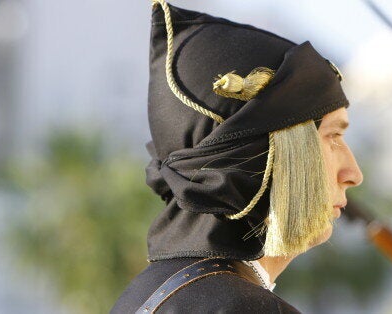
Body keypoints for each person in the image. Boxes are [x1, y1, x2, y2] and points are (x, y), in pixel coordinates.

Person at [111, 1, 363, 313]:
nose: (353, 173)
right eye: (332, 137)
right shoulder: (245, 308)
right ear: (262, 153)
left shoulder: (144, 294)